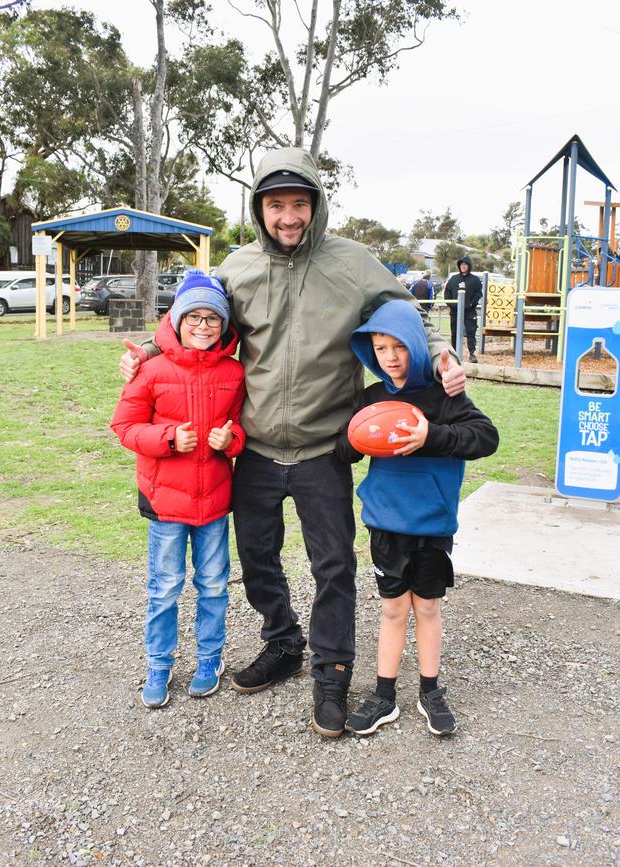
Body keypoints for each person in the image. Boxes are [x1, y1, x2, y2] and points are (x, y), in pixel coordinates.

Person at [119, 146, 468, 737]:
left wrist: (440, 353)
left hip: (325, 444)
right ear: (260, 209)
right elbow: (192, 314)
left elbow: (407, 312)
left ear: (316, 206)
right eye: (275, 205)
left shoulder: (354, 263)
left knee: (333, 564)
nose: (287, 216)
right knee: (257, 559)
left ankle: (331, 671)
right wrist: (151, 352)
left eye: (298, 203)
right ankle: (282, 643)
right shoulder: (238, 267)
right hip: (251, 445)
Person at [335, 299, 498, 737]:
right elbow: (346, 447)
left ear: (416, 346)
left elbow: (486, 437)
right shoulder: (372, 398)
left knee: (426, 606)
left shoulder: (444, 396)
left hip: (432, 522)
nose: (390, 357)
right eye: (381, 348)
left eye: (399, 347)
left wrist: (431, 435)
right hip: (387, 522)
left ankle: (430, 691)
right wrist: (356, 441)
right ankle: (384, 696)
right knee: (392, 610)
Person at [111, 271, 246, 708]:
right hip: (165, 501)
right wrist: (169, 439)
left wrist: (232, 442)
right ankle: (158, 663)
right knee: (165, 586)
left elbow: (244, 428)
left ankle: (210, 659)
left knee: (213, 585)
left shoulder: (235, 372)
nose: (203, 326)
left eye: (213, 318)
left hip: (214, 503)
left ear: (224, 325)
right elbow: (125, 425)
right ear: (177, 319)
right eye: (194, 317)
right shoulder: (150, 370)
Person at [443, 255, 482, 363]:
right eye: (461, 264)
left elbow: (479, 294)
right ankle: (454, 354)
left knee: (471, 332)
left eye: (465, 264)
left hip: (469, 312)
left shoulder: (475, 280)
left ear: (469, 266)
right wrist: (451, 304)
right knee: (454, 333)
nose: (463, 266)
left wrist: (471, 304)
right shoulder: (454, 279)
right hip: (455, 312)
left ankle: (472, 354)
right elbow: (447, 292)